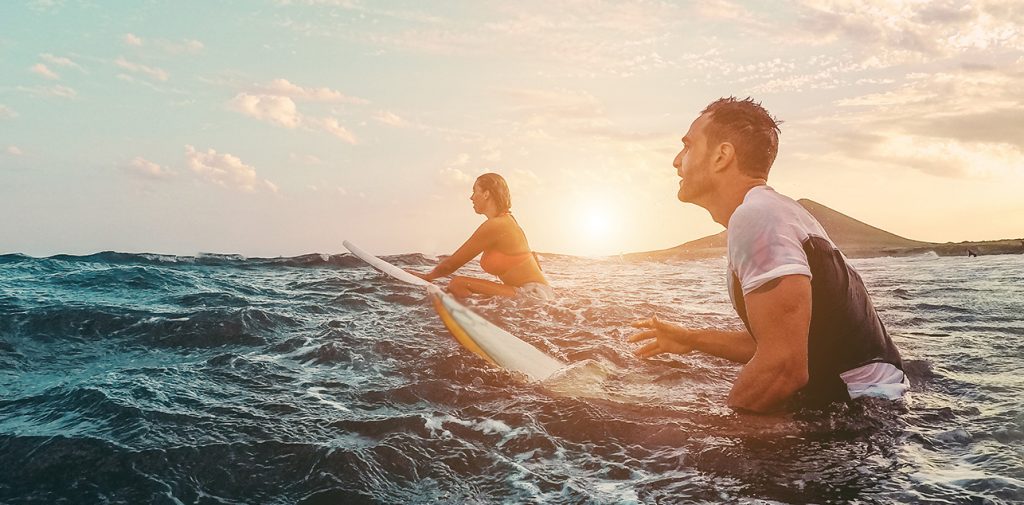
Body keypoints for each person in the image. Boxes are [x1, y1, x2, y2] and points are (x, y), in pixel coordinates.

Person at [627, 97, 906, 413]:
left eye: (688, 146)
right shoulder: (772, 213)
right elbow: (782, 343)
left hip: (865, 421)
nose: (677, 161)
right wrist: (692, 340)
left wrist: (722, 429)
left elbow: (784, 367)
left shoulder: (758, 217)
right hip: (875, 413)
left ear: (722, 155)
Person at [410, 173, 554, 301]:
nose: (471, 197)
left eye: (474, 191)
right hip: (538, 293)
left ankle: (472, 316)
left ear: (486, 194)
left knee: (458, 283)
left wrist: (428, 277)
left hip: (533, 294)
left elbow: (451, 265)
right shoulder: (507, 221)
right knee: (460, 285)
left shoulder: (497, 225)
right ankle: (479, 309)